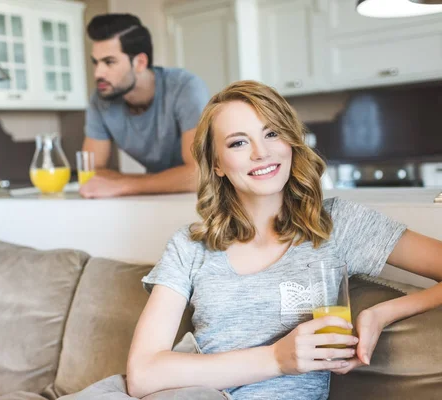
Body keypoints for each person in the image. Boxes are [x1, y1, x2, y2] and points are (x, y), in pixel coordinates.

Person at [126, 80, 442, 399]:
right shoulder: (190, 246)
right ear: (217, 164)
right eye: (238, 143)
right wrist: (277, 358)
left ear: (290, 140)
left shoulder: (338, 224)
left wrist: (380, 313)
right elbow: (142, 375)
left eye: (272, 133)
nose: (261, 153)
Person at [80, 14, 210, 198]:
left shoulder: (185, 87)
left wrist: (122, 185)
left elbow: (199, 174)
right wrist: (151, 182)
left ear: (140, 62)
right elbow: (91, 172)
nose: (98, 73)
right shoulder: (100, 100)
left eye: (109, 62)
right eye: (96, 62)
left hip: (203, 198)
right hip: (154, 197)